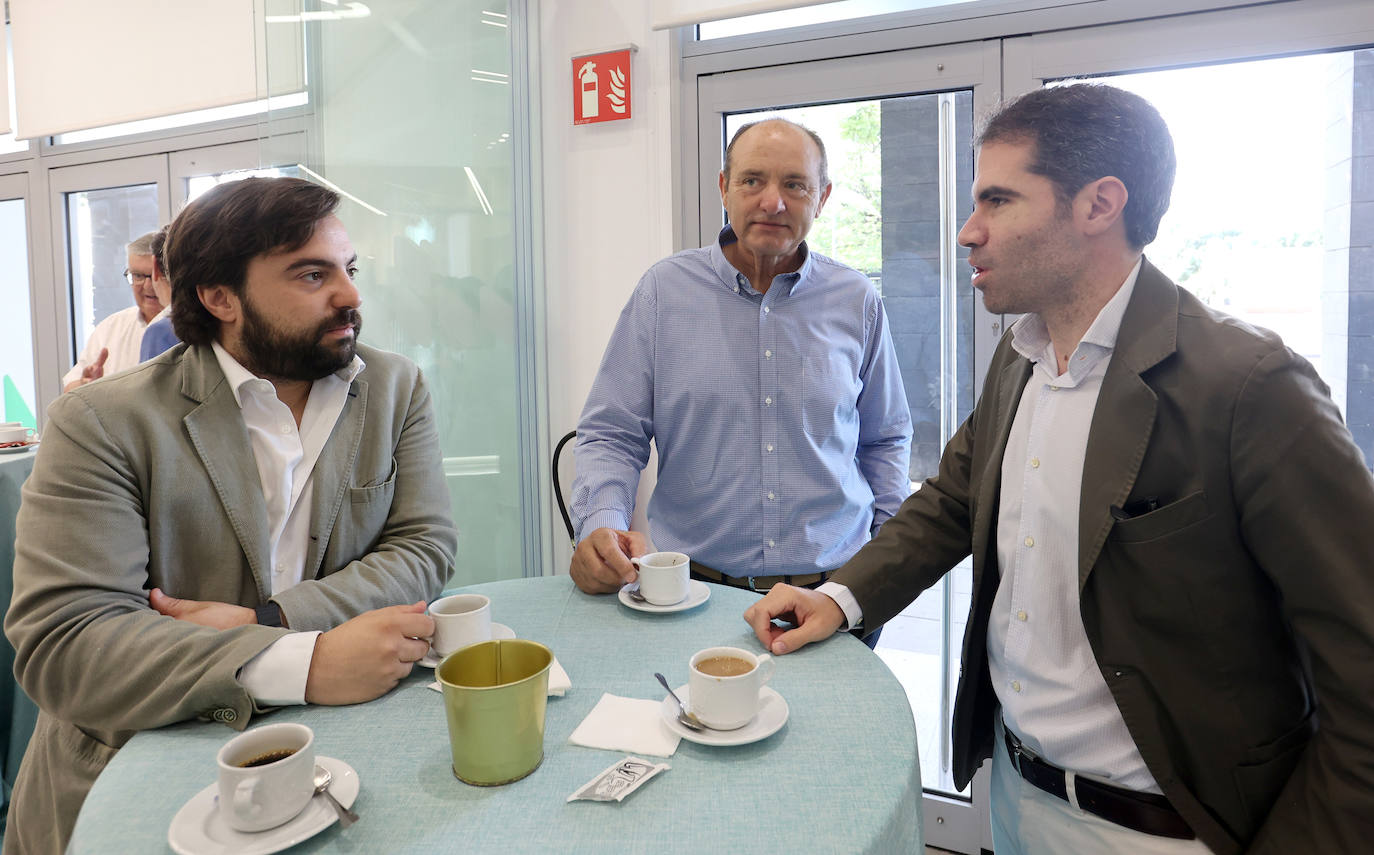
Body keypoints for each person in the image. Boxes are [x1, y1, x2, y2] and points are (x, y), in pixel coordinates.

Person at [743, 83, 1374, 855]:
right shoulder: (1021, 355)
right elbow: (951, 501)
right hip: (1014, 795)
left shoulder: (1250, 387)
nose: (969, 231)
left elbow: (1362, 669)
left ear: (1099, 204)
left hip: (1165, 832)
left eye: (998, 200)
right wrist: (839, 598)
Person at [4, 177, 457, 855]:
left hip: (338, 759)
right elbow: (67, 643)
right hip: (141, 773)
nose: (351, 295)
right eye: (312, 275)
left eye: (349, 269)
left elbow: (423, 546)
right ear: (220, 297)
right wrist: (303, 662)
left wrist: (268, 621)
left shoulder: (394, 388)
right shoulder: (102, 422)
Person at [568, 118, 912, 618]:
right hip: (693, 596)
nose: (773, 202)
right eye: (752, 180)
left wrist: (882, 563)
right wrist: (602, 524)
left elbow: (886, 438)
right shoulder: (663, 293)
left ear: (822, 197)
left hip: (832, 594)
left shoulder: (856, 299)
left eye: (795, 185)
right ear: (724, 188)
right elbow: (611, 433)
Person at [60, 230, 167, 391]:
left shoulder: (188, 329)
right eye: (137, 276)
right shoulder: (111, 327)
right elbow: (70, 388)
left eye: (154, 276)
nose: (147, 286)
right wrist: (86, 385)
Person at [138, 226, 181, 360]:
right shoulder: (224, 323)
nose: (147, 285)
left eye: (147, 275)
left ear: (155, 267)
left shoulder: (161, 332)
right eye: (137, 276)